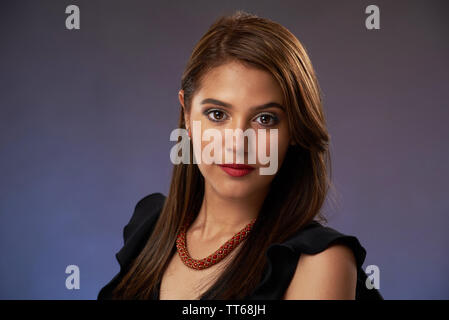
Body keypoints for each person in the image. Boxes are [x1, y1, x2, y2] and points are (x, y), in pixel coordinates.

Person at [98, 10, 383, 300]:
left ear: (295, 129)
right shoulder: (148, 227)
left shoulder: (320, 261)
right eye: (217, 114)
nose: (237, 143)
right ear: (186, 114)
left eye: (265, 119)